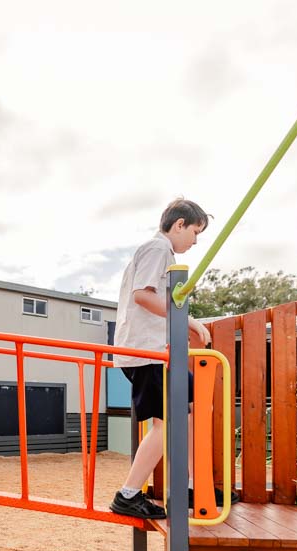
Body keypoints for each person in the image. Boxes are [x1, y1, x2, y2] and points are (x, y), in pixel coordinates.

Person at [109, 197, 217, 519]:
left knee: (196, 403)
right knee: (165, 421)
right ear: (179, 224)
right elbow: (142, 296)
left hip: (156, 350)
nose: (196, 242)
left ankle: (187, 486)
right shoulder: (157, 249)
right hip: (144, 352)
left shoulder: (164, 253)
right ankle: (127, 495)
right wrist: (186, 321)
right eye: (195, 232)